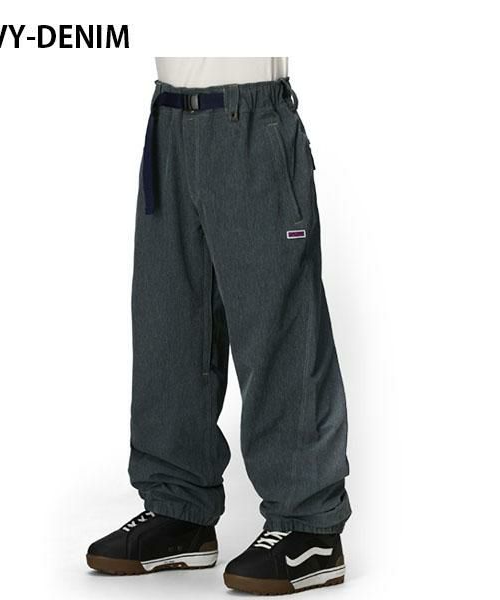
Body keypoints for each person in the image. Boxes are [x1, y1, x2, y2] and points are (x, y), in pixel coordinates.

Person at [86, 57, 351, 595]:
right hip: (169, 120)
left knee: (276, 322)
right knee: (168, 325)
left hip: (251, 118)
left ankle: (310, 527)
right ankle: (179, 510)